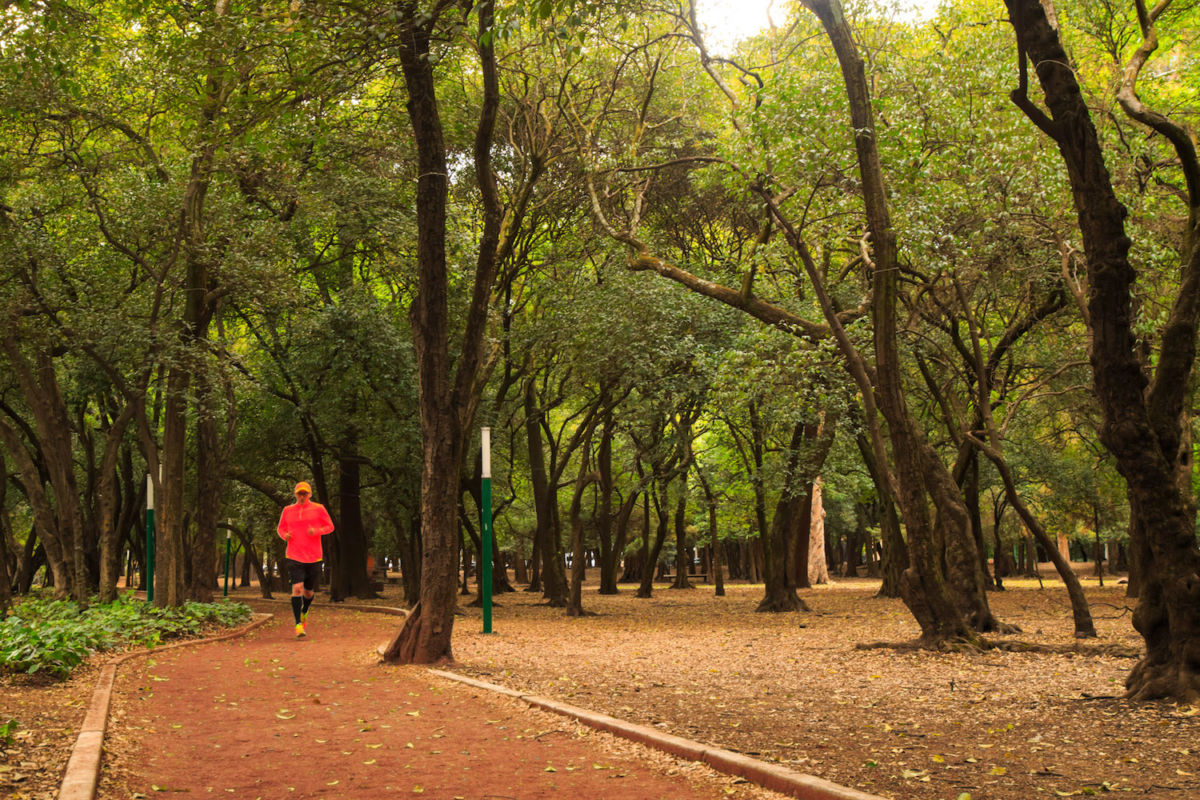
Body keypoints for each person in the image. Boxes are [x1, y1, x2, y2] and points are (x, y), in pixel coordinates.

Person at [277, 481, 335, 638]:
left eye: (305, 493)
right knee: (297, 588)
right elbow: (281, 528)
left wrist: (316, 531)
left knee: (308, 592)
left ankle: (304, 611)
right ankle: (298, 625)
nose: (302, 496)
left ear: (309, 494)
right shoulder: (287, 510)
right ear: (295, 495)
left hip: (314, 556)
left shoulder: (319, 508)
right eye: (299, 493)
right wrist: (285, 535)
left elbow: (330, 526)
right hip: (294, 555)